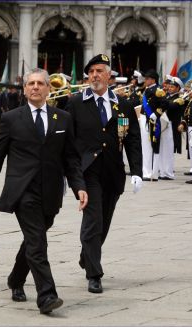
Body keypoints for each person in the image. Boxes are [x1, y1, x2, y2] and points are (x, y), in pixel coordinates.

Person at [0, 68, 87, 314]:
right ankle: (47, 296)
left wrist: (79, 187)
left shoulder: (62, 118)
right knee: (38, 242)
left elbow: (71, 158)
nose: (36, 87)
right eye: (31, 83)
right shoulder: (11, 118)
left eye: (41, 83)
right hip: (23, 191)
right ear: (25, 88)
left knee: (33, 240)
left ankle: (16, 279)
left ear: (49, 88)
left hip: (51, 192)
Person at [65, 54, 143, 293]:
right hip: (88, 172)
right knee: (93, 221)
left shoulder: (124, 104)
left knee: (104, 222)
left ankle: (87, 255)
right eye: (91, 72)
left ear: (110, 76)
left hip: (113, 172)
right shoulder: (76, 103)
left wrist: (137, 171)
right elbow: (68, 141)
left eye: (99, 71)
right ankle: (94, 273)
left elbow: (132, 139)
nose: (94, 75)